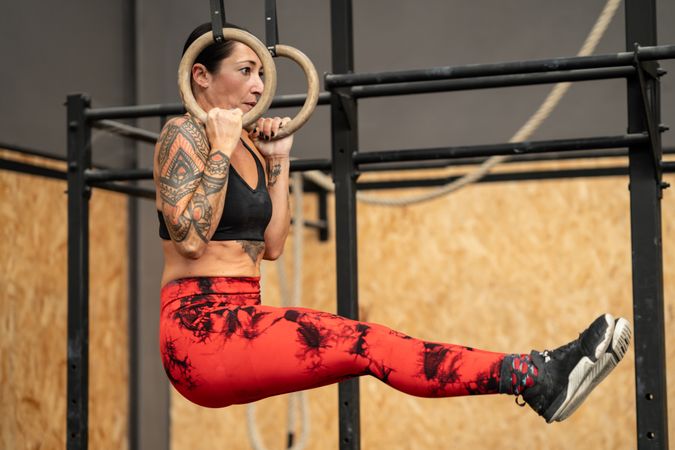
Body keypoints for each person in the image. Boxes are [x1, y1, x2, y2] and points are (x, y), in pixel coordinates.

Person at [153, 22, 632, 423]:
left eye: (262, 73)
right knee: (368, 343)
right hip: (197, 334)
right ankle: (534, 375)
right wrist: (219, 144)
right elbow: (191, 241)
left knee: (369, 343)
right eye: (246, 71)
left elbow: (273, 245)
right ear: (200, 75)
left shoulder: (248, 146)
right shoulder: (184, 134)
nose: (260, 87)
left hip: (243, 318)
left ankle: (537, 377)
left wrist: (279, 161)